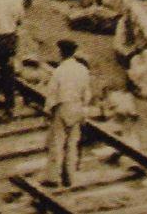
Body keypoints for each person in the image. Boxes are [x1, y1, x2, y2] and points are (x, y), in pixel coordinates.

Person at [41, 39, 92, 188]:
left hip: (63, 107)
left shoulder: (60, 71)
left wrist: (47, 111)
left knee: (57, 143)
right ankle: (69, 177)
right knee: (72, 143)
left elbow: (52, 94)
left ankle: (53, 177)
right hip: (77, 107)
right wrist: (84, 109)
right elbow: (87, 92)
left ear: (61, 52)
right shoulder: (82, 69)